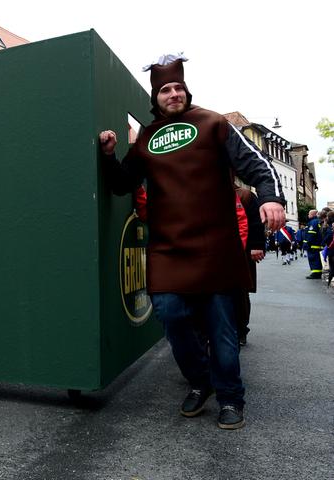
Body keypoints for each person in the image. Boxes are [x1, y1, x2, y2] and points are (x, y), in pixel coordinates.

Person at [98, 53, 285, 430]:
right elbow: (123, 183)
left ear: (186, 91)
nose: (172, 94)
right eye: (165, 89)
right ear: (156, 97)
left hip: (216, 245)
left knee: (221, 328)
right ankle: (201, 382)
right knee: (171, 314)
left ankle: (230, 397)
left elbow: (257, 166)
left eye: (178, 87)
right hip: (167, 247)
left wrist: (271, 198)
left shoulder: (213, 123)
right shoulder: (148, 137)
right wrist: (106, 156)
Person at [234, 187, 265, 346]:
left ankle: (241, 330)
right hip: (214, 253)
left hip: (242, 252)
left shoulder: (245, 195)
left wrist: (257, 245)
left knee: (240, 292)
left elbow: (256, 221)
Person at [303, 210, 323, 278]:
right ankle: (318, 272)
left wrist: (307, 243)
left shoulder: (313, 222)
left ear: (312, 214)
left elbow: (311, 234)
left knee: (313, 258)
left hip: (313, 244)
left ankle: (315, 273)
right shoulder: (317, 221)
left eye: (309, 214)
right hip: (317, 244)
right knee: (316, 258)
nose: (308, 215)